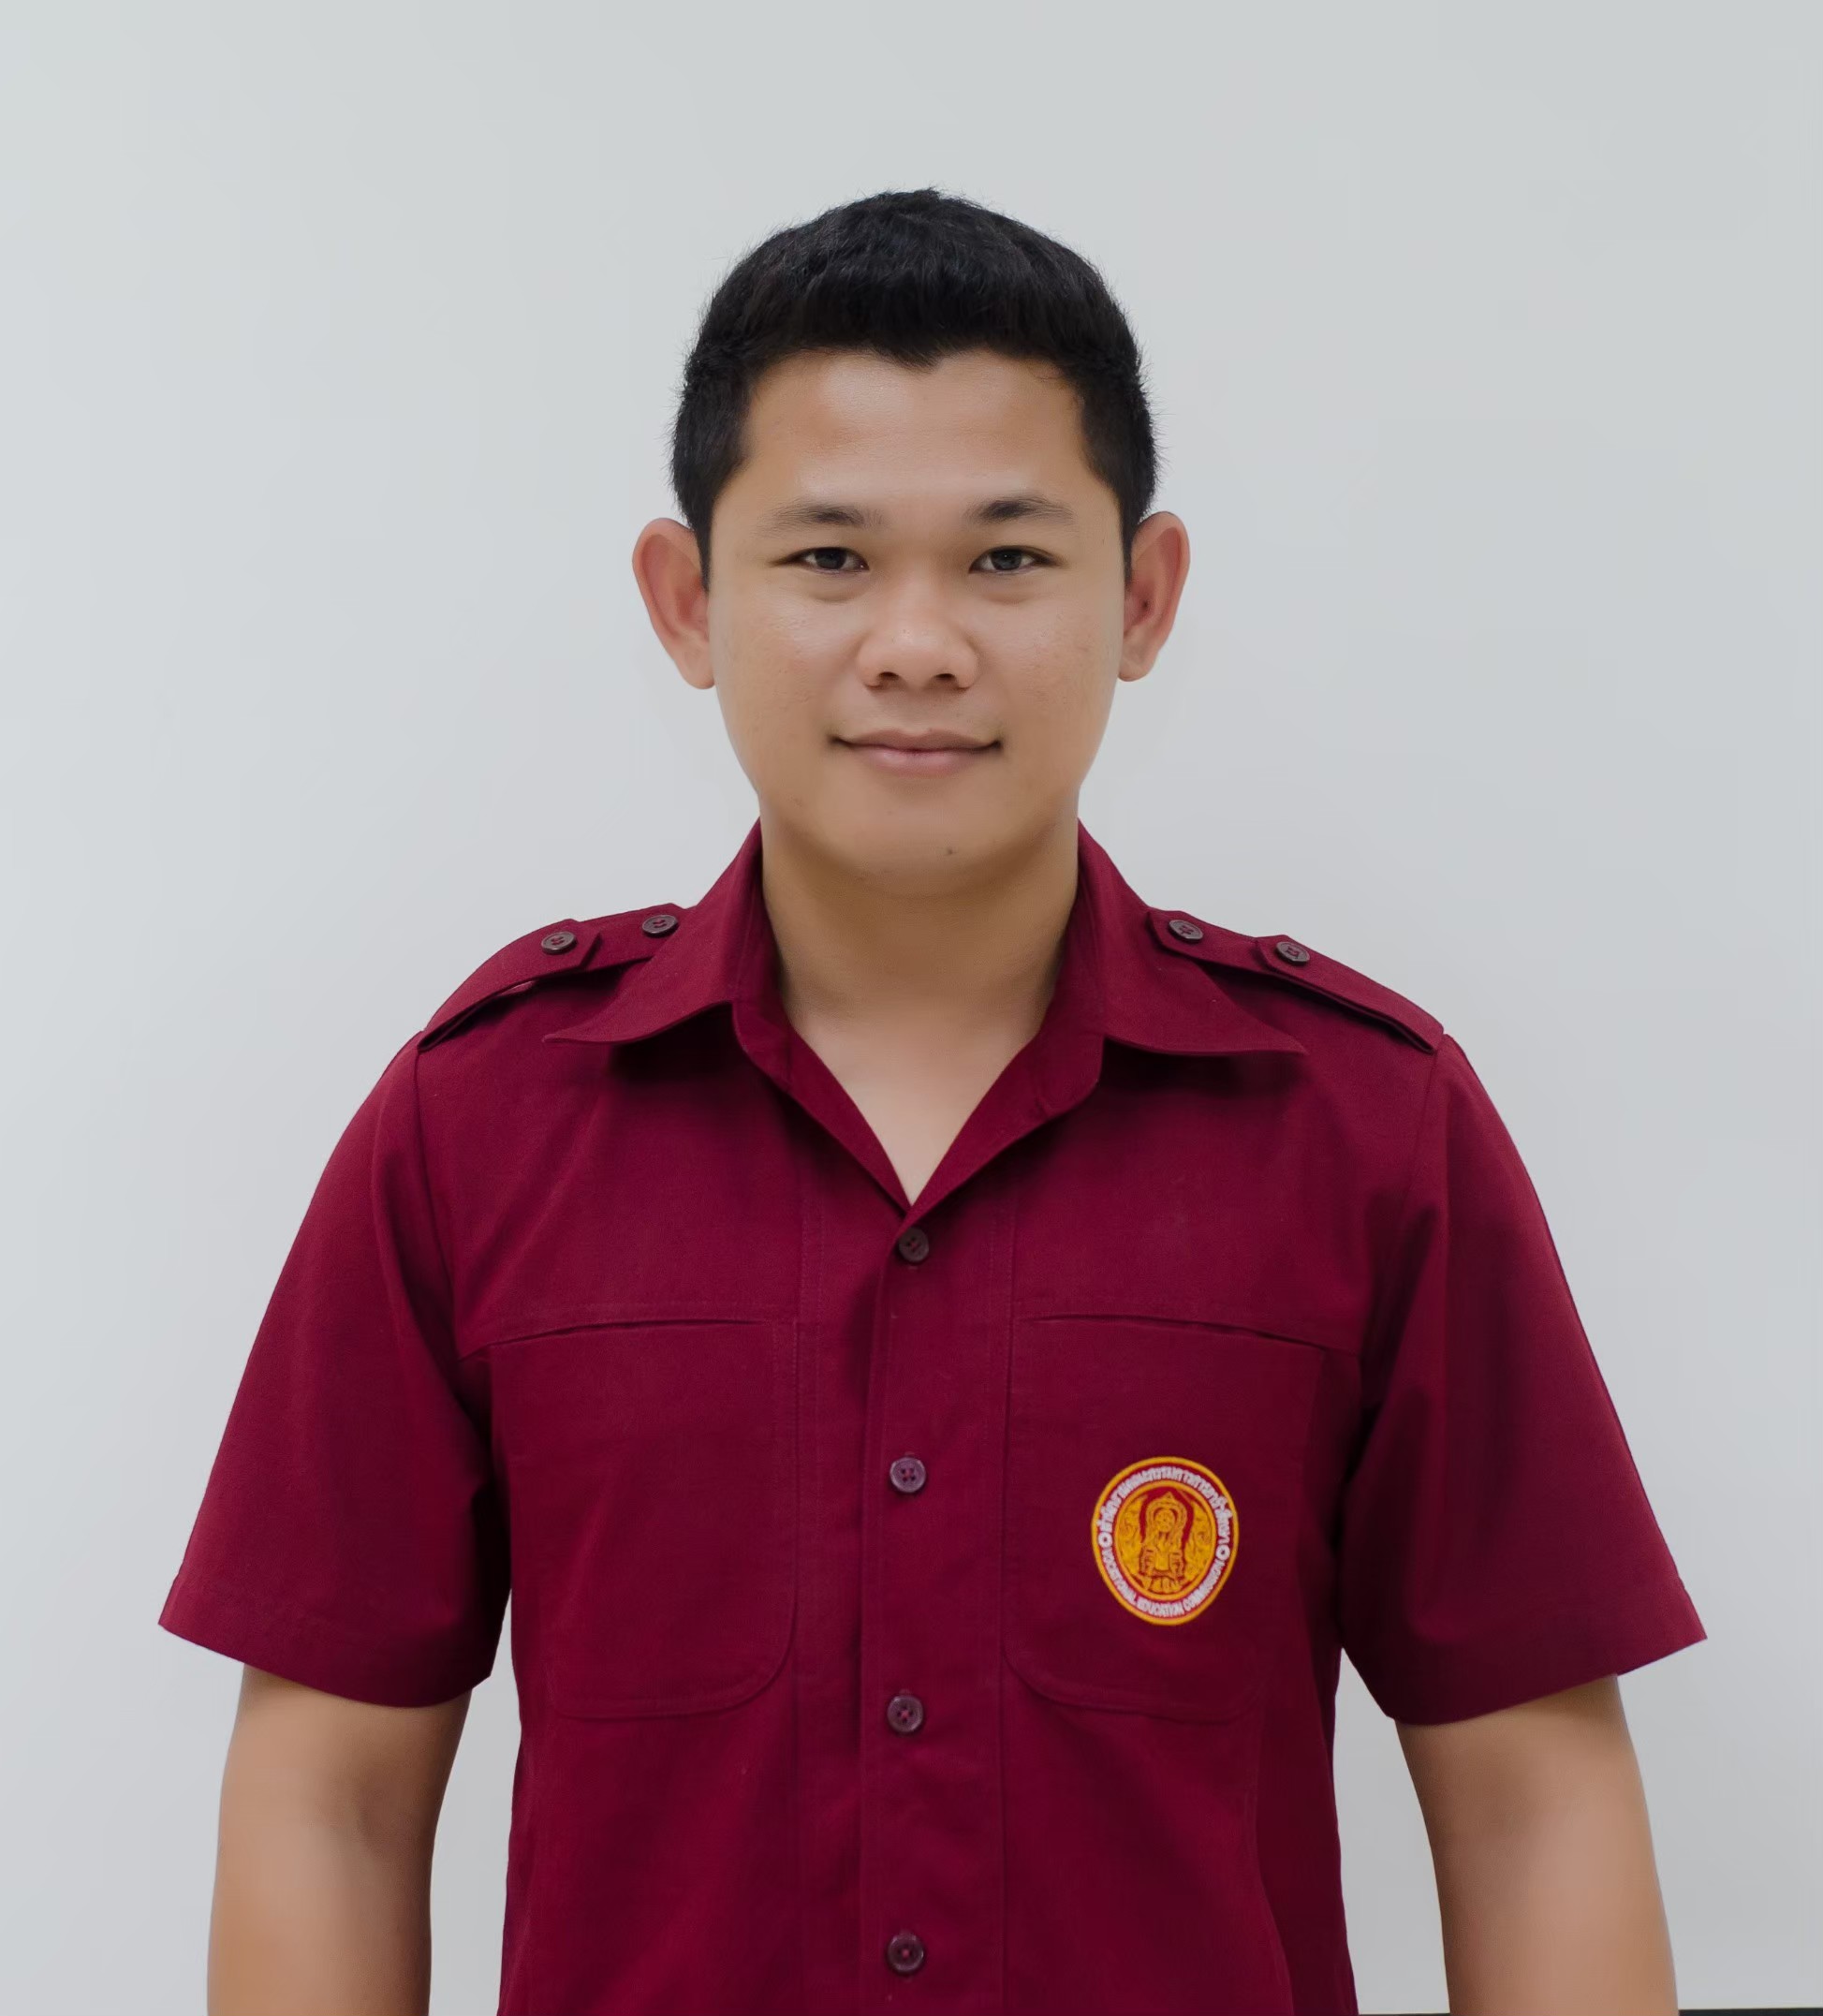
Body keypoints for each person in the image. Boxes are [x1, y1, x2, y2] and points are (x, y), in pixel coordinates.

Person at [159, 186, 1706, 2016]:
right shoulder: (479, 1125)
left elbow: (1530, 1793)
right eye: (828, 557)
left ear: (1141, 598)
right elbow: (329, 1794)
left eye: (1005, 559)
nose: (916, 643)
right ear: (687, 602)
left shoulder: (1363, 1126)